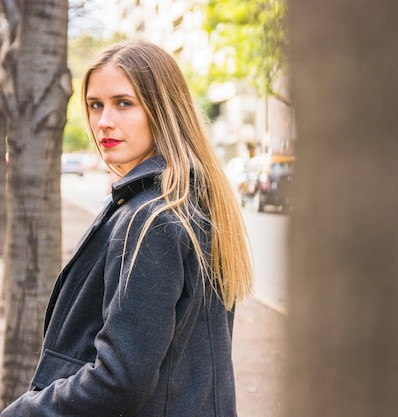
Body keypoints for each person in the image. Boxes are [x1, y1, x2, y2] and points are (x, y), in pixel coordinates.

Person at [1, 40, 254, 416]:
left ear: (162, 110)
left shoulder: (151, 220)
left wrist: (22, 413)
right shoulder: (184, 201)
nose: (104, 121)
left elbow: (118, 380)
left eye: (124, 103)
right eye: (95, 105)